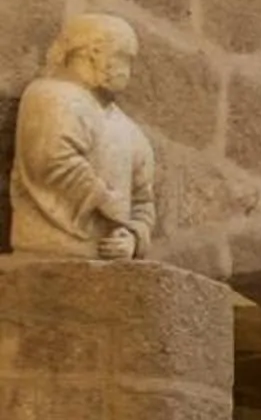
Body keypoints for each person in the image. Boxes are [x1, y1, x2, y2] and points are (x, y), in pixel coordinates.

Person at [8, 14, 157, 260]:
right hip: (51, 249)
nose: (128, 71)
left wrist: (132, 238)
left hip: (111, 266)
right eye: (124, 58)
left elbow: (143, 202)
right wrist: (107, 202)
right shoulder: (51, 96)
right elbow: (52, 161)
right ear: (94, 53)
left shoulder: (132, 132)